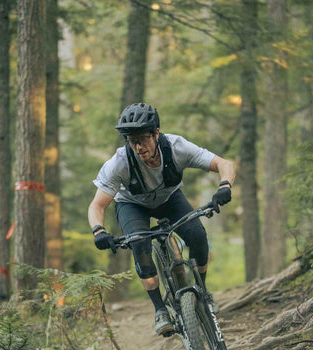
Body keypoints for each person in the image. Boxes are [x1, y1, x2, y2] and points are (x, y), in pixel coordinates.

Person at [88, 103, 236, 336]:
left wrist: (225, 186)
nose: (138, 147)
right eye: (132, 141)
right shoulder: (119, 162)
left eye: (142, 139)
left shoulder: (177, 147)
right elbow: (97, 204)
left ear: (156, 133)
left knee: (197, 235)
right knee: (139, 244)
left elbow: (224, 164)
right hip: (132, 205)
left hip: (169, 198)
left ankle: (203, 291)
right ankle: (160, 310)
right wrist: (99, 231)